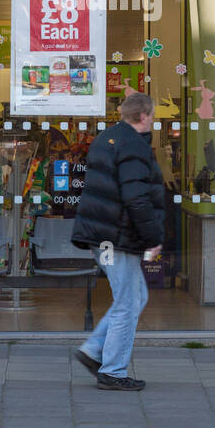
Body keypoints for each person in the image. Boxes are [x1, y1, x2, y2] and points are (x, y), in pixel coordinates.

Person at [70, 92, 166, 391]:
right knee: (127, 302)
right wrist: (152, 239)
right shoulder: (133, 144)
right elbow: (135, 197)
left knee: (136, 297)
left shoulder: (107, 137)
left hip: (105, 235)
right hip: (117, 235)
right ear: (145, 116)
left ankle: (94, 350)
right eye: (153, 115)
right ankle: (112, 371)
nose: (153, 120)